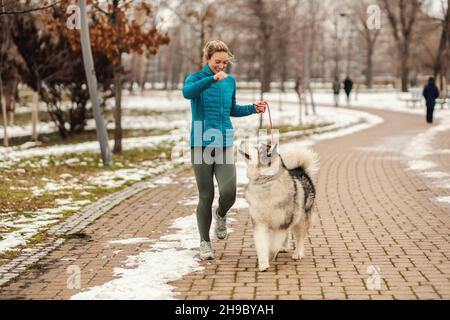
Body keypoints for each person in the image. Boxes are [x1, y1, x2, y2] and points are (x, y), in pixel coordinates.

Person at [182, 40, 267, 260]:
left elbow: (232, 109)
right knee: (206, 194)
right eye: (217, 62)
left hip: (224, 141)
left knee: (228, 192)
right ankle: (204, 243)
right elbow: (187, 93)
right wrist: (211, 79)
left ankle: (221, 215)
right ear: (207, 59)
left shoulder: (230, 82)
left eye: (224, 63)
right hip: (201, 141)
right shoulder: (196, 78)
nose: (221, 66)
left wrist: (252, 109)